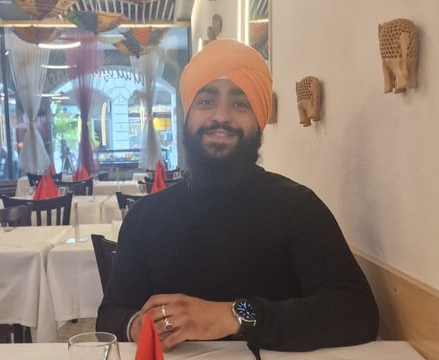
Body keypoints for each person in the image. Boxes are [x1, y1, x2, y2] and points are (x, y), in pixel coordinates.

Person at [96, 39, 379, 357]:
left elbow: (358, 313)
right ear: (187, 117)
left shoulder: (298, 208)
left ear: (260, 119)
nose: (221, 116)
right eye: (206, 101)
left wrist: (235, 315)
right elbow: (111, 314)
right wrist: (136, 324)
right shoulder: (145, 217)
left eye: (240, 103)